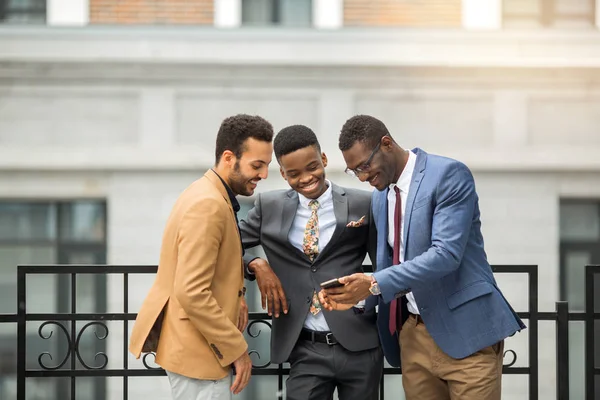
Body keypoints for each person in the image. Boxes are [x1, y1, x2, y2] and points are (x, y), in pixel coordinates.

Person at [319, 115, 526, 400]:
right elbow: (391, 263)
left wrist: (373, 282)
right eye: (354, 171)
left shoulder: (448, 175)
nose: (363, 177)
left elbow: (445, 254)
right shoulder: (381, 196)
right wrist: (356, 296)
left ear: (387, 144)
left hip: (468, 333)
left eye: (365, 165)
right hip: (413, 334)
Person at [129, 114, 274, 399]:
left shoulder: (207, 193)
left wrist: (237, 295)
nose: (264, 175)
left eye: (267, 166)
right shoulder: (208, 204)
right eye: (257, 165)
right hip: (199, 353)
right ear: (229, 158)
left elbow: (211, 263)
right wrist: (237, 349)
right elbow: (192, 291)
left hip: (196, 347)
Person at [239, 125, 383, 400]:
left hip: (360, 344)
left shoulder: (364, 203)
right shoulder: (267, 206)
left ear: (324, 160)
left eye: (312, 167)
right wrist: (256, 264)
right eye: (294, 173)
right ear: (282, 173)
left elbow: (385, 263)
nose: (306, 178)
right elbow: (227, 245)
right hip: (304, 347)